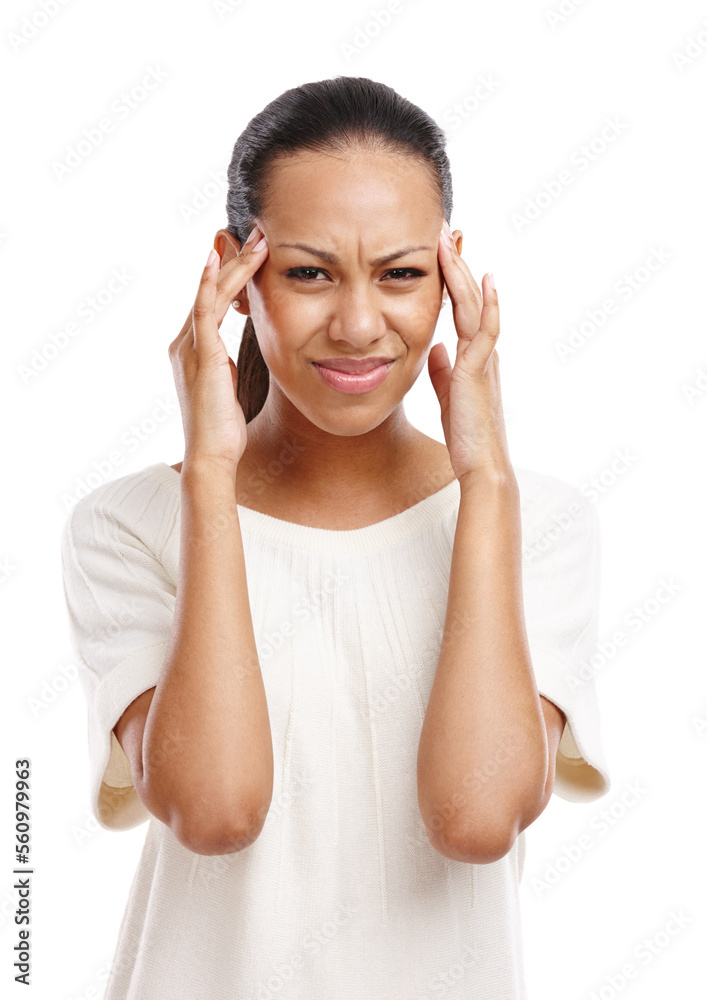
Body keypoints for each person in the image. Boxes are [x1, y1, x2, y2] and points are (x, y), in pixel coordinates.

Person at [60, 75, 612, 999]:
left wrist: (483, 483)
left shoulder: (534, 522)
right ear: (235, 271)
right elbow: (215, 808)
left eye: (400, 274)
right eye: (308, 272)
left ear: (451, 270)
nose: (359, 326)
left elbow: (475, 819)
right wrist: (210, 478)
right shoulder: (128, 528)